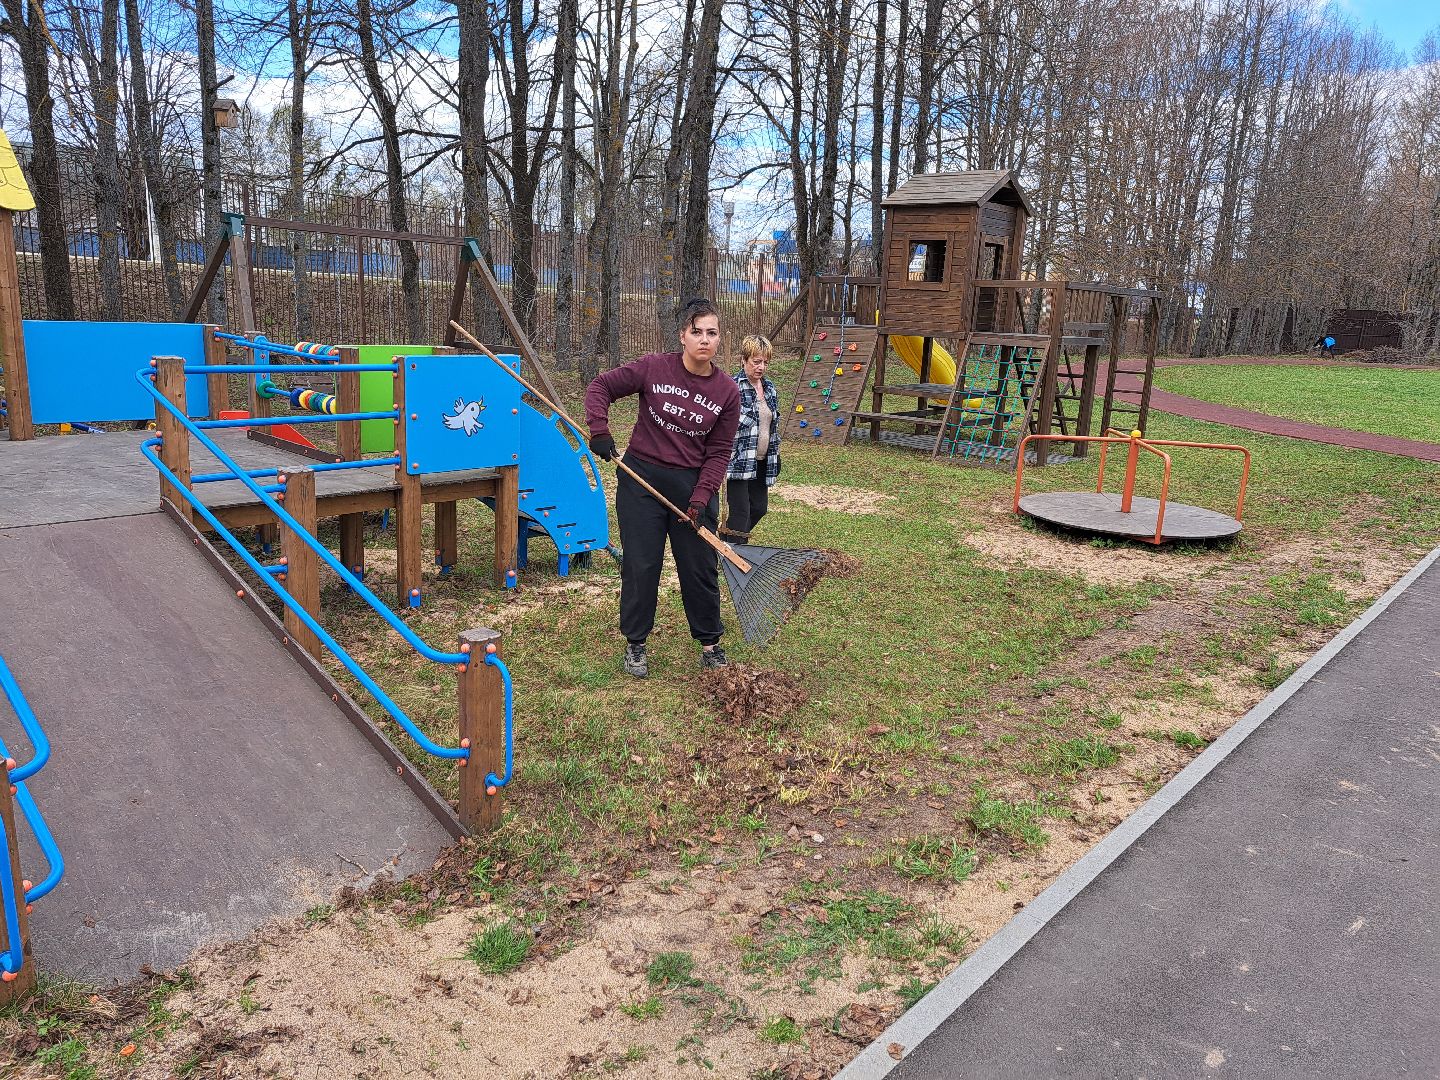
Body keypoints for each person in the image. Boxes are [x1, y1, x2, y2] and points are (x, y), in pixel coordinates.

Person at [585, 298, 741, 678]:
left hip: (692, 486)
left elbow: (719, 452)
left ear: (719, 339)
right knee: (642, 564)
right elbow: (601, 386)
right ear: (683, 335)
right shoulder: (654, 367)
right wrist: (600, 430)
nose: (704, 340)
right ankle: (636, 643)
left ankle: (710, 644)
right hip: (641, 481)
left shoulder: (727, 392)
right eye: (697, 332)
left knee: (699, 567)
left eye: (712, 333)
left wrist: (700, 499)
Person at [721, 334, 781, 545]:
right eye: (756, 361)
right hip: (737, 460)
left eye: (765, 362)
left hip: (762, 460)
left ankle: (725, 542)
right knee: (741, 512)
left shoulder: (770, 388)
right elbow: (721, 425)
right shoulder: (731, 388)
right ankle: (736, 554)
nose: (761, 367)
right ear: (744, 360)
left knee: (759, 508)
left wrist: (776, 455)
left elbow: (772, 426)